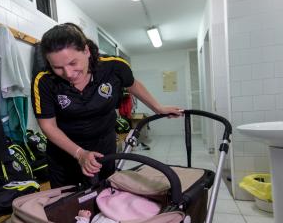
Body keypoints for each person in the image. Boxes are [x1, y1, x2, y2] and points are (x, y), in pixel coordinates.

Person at [31, 23, 183, 188]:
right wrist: (79, 153)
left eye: (73, 63)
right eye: (58, 68)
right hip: (65, 152)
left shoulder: (114, 67)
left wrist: (157, 107)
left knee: (104, 195)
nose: (68, 73)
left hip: (104, 146)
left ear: (87, 51)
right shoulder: (44, 81)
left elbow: (132, 85)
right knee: (66, 204)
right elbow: (48, 125)